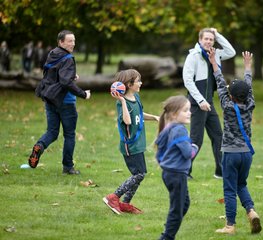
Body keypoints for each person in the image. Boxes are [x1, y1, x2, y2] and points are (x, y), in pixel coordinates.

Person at [208, 48, 261, 234]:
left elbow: (220, 83)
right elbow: (248, 86)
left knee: (230, 189)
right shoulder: (250, 103)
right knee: (241, 184)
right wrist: (248, 66)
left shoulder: (227, 105)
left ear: (231, 96)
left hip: (230, 153)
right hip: (246, 153)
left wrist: (214, 63)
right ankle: (251, 211)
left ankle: (230, 226)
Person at [28, 30, 91, 174]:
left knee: (52, 131)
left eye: (74, 41)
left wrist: (71, 75)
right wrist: (83, 94)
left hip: (50, 99)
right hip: (66, 102)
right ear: (61, 42)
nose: (73, 44)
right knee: (69, 134)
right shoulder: (68, 58)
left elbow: (52, 74)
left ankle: (39, 146)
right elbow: (64, 82)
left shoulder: (52, 54)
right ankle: (68, 167)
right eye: (70, 41)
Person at [103, 69, 159, 215]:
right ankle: (113, 197)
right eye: (138, 81)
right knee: (139, 174)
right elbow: (127, 121)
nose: (140, 83)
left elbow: (139, 115)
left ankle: (125, 204)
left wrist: (154, 117)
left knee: (140, 174)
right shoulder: (122, 103)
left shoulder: (137, 97)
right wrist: (122, 101)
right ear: (129, 84)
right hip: (130, 145)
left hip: (139, 143)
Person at [182, 27, 236, 179]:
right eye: (206, 38)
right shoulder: (193, 56)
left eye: (211, 39)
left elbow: (231, 51)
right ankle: (184, 171)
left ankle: (220, 171)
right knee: (196, 139)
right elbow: (187, 81)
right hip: (196, 103)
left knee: (218, 136)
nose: (208, 41)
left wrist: (217, 34)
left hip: (209, 103)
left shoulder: (216, 54)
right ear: (200, 40)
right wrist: (200, 100)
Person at [155, 95, 199, 240]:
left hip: (170, 173)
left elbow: (159, 150)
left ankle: (170, 226)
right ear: (174, 114)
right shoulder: (180, 130)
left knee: (184, 204)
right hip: (176, 174)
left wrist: (163, 163)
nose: (189, 113)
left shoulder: (169, 127)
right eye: (185, 110)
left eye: (189, 110)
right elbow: (188, 153)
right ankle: (167, 237)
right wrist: (195, 147)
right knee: (177, 209)